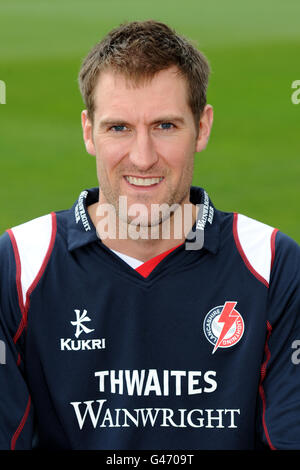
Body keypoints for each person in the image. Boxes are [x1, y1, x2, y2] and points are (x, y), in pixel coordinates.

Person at [0, 20, 299, 451]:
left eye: (165, 126)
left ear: (203, 126)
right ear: (89, 131)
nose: (142, 158)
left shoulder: (274, 265)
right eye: (119, 128)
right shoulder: (17, 266)